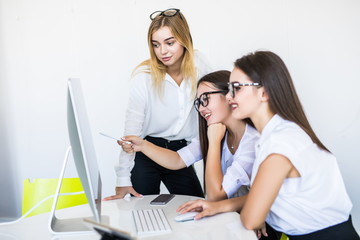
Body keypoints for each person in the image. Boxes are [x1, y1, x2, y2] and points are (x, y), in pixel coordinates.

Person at [177, 51, 359, 240]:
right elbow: (267, 196)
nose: (229, 97)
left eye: (237, 88)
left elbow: (251, 219)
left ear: (263, 92)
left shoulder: (280, 145)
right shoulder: (274, 135)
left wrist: (249, 211)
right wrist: (217, 206)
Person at [105, 8, 211, 200]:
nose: (162, 51)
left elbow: (213, 109)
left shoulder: (200, 66)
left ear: (184, 39)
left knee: (196, 206)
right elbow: (132, 132)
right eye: (156, 44)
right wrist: (122, 179)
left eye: (169, 43)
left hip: (181, 152)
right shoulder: (143, 77)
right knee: (140, 211)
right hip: (147, 151)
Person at [118, 70, 259, 201]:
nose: (202, 108)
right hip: (227, 216)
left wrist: (214, 143)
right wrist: (142, 145)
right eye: (198, 103)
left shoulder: (252, 142)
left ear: (229, 95)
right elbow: (178, 160)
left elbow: (214, 196)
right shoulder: (216, 131)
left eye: (205, 99)